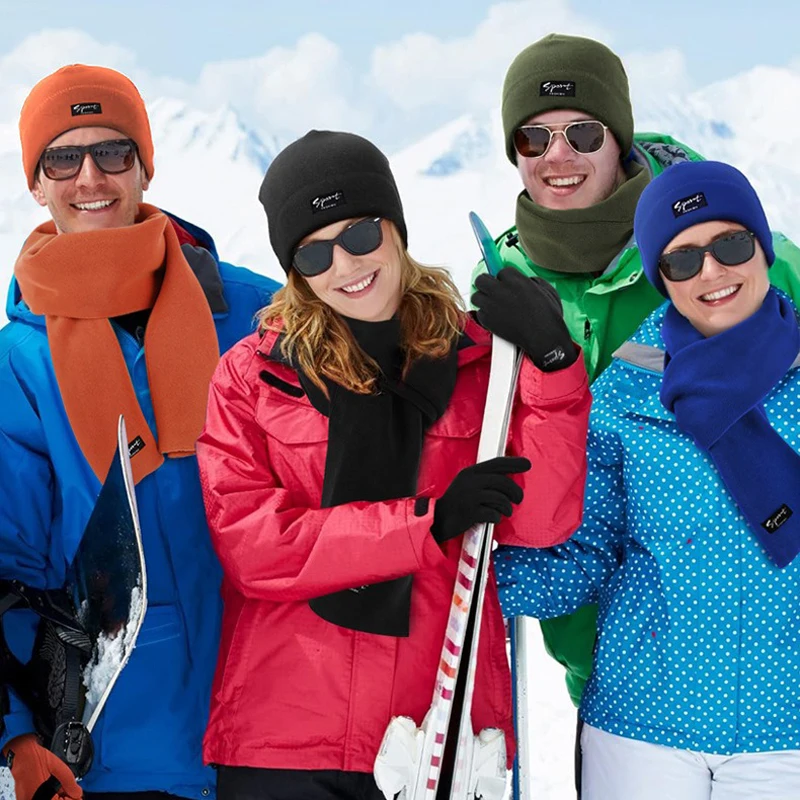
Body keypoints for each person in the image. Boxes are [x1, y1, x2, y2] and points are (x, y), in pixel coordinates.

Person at [195, 129, 591, 800]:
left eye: (360, 234)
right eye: (314, 251)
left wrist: (553, 364)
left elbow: (541, 521)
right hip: (286, 735)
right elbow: (253, 545)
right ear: (294, 270)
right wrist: (429, 524)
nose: (346, 265)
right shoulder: (254, 377)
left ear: (396, 227)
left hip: (439, 729)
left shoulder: (482, 364)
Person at [473, 33, 800, 793]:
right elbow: (584, 538)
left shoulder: (774, 266)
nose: (711, 272)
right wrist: (446, 554)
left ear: (619, 134)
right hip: (635, 685)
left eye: (583, 131)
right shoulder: (506, 279)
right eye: (534, 136)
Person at [0, 65, 281, 800]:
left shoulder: (258, 314)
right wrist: (13, 736)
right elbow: (4, 569)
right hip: (111, 746)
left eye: (113, 153)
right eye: (63, 157)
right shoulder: (17, 363)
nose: (90, 175)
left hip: (272, 717)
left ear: (145, 167)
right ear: (36, 182)